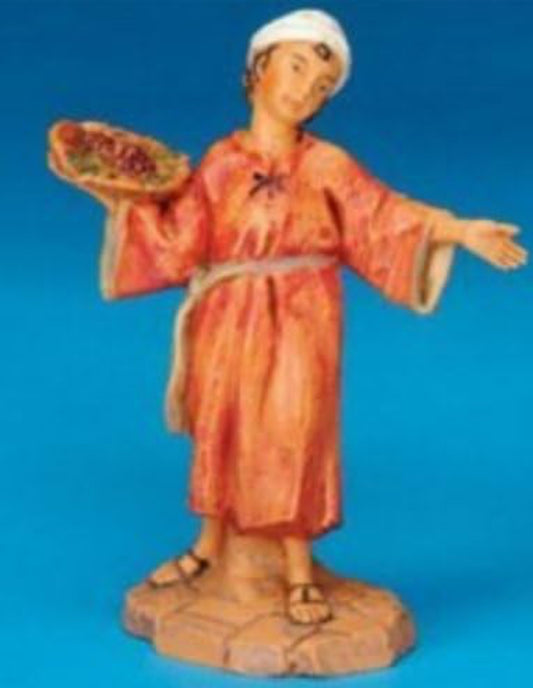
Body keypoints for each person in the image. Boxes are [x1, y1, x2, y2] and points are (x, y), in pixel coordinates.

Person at [52, 8, 527, 625]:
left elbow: (384, 213)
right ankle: (209, 546)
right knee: (222, 422)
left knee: (292, 430)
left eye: (322, 84)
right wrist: (126, 203)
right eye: (296, 67)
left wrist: (458, 230)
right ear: (257, 71)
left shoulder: (328, 165)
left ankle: (298, 570)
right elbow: (178, 242)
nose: (306, 89)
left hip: (303, 318)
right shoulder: (220, 162)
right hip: (228, 315)